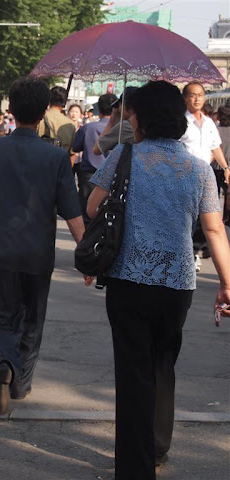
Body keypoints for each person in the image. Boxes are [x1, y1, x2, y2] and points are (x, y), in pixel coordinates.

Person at [86, 80, 230, 480]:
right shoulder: (199, 169)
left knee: (133, 372)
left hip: (127, 280)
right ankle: (158, 446)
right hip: (176, 284)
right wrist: (227, 283)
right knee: (163, 364)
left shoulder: (124, 156)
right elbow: (214, 230)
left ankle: (134, 468)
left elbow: (93, 206)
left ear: (142, 119)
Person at [0, 78, 85, 415]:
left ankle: (1, 364)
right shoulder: (56, 157)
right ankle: (20, 381)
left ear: (10, 109)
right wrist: (88, 255)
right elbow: (72, 212)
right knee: (32, 319)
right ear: (42, 114)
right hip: (37, 253)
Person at [180, 82, 230, 270]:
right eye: (192, 95)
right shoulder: (180, 122)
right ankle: (189, 255)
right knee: (188, 219)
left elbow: (215, 147)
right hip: (185, 177)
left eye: (200, 95)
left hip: (206, 178)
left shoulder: (209, 123)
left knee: (211, 220)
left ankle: (200, 254)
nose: (197, 99)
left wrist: (226, 167)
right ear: (186, 98)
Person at [72, 92, 118, 225]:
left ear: (100, 109)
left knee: (86, 216)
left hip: (89, 177)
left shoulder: (88, 128)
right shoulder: (122, 130)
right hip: (112, 177)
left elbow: (75, 147)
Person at [94, 87, 137, 157]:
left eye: (119, 105)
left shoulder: (124, 126)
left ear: (127, 106)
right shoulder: (148, 125)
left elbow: (96, 150)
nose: (119, 110)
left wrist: (111, 122)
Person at [36, 86, 76, 152]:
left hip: (39, 155)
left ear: (49, 99)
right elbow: (72, 152)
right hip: (62, 157)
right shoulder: (71, 124)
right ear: (65, 102)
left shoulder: (38, 118)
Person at [215, 105, 230, 223]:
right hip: (228, 167)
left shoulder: (215, 129)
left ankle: (214, 218)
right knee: (228, 193)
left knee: (214, 194)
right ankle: (226, 219)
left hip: (214, 166)